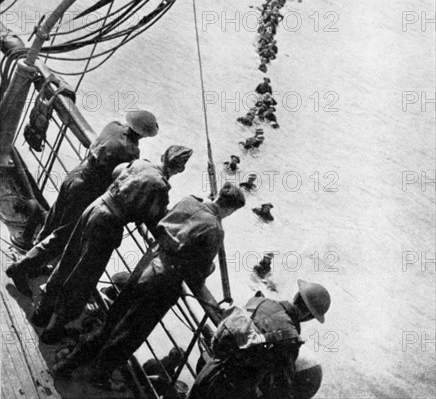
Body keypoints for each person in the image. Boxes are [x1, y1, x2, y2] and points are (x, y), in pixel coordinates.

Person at [53, 183, 246, 384]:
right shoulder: (215, 229)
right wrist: (210, 270)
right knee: (131, 334)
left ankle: (69, 363)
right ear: (230, 209)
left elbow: (163, 222)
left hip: (148, 262)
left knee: (112, 319)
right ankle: (100, 375)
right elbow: (199, 272)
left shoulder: (189, 200)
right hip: (164, 283)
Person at [34, 145, 193, 344]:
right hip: (107, 225)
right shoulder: (161, 186)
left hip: (95, 207)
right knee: (83, 278)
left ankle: (41, 312)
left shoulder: (141, 163)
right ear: (179, 169)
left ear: (162, 155)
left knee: (68, 260)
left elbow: (117, 171)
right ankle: (52, 330)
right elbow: (158, 221)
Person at [6, 111, 159, 298]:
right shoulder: (130, 151)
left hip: (76, 174)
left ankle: (32, 263)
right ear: (143, 134)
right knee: (64, 235)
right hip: (87, 190)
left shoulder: (113, 125)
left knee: (53, 220)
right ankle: (21, 268)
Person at [188, 280, 331, 399]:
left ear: (296, 296)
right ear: (308, 316)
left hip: (209, 370)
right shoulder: (290, 338)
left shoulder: (259, 301)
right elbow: (282, 384)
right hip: (230, 390)